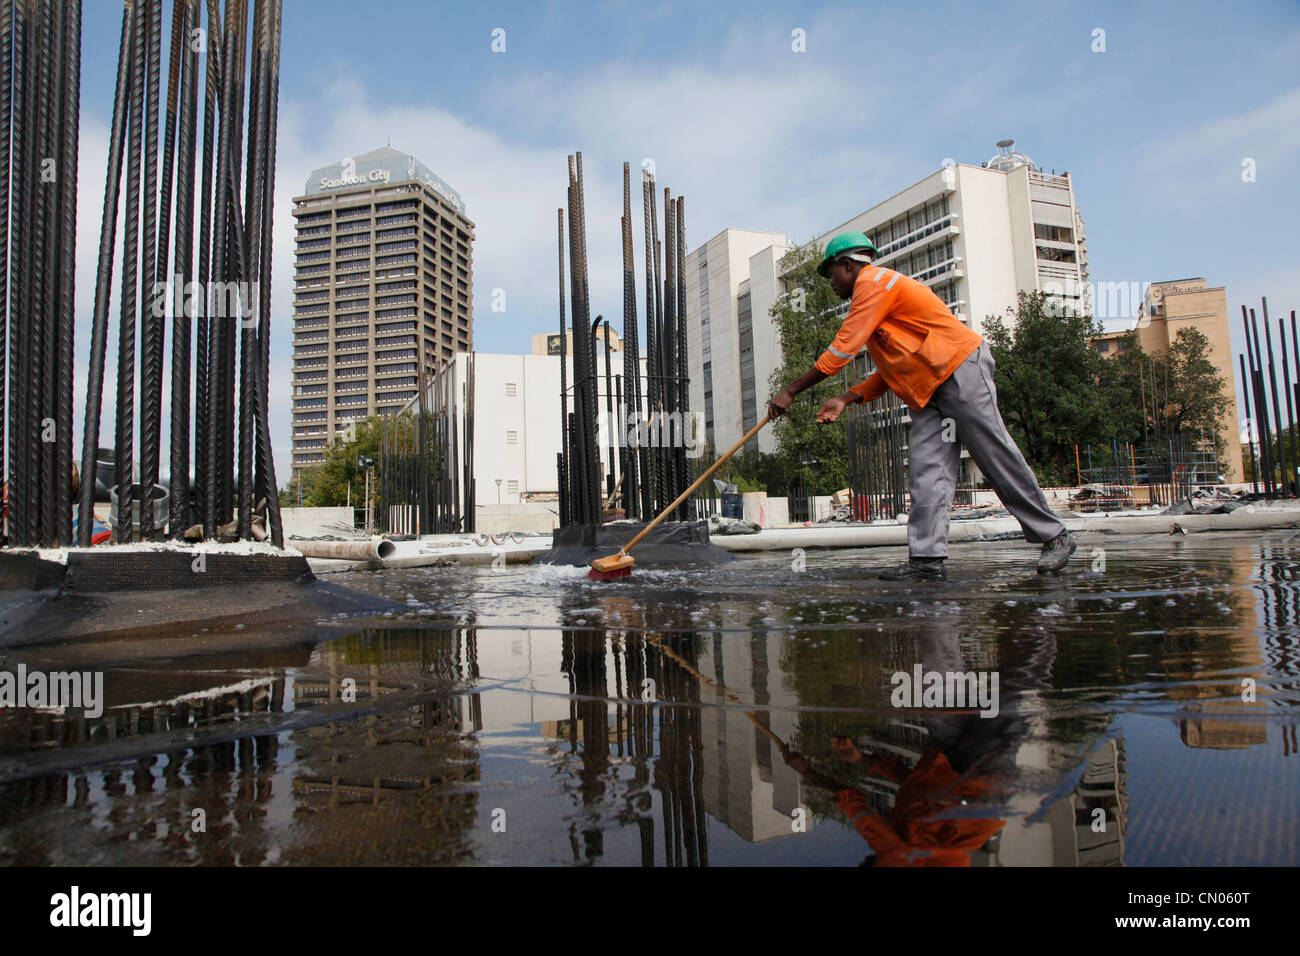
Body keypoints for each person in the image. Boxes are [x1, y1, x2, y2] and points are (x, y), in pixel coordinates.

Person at [767, 231, 1075, 581]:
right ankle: (926, 560)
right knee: (926, 471)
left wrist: (791, 391)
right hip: (926, 391)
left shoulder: (873, 283)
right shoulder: (877, 308)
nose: (831, 284)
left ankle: (1055, 535)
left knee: (993, 453)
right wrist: (846, 398)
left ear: (848, 266)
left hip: (958, 369)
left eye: (832, 274)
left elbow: (841, 350)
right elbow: (889, 372)